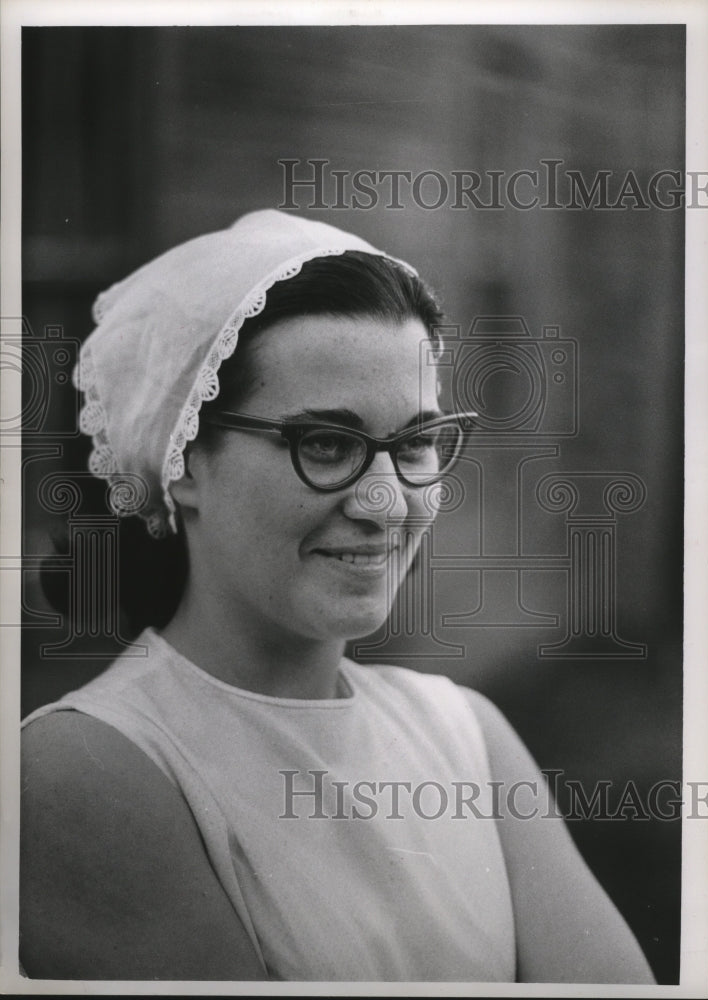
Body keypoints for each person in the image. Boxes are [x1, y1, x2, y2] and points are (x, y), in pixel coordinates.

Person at [20, 209, 655, 984]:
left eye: (416, 441)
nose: (388, 503)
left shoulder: (466, 735)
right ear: (182, 463)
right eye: (325, 443)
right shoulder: (83, 768)